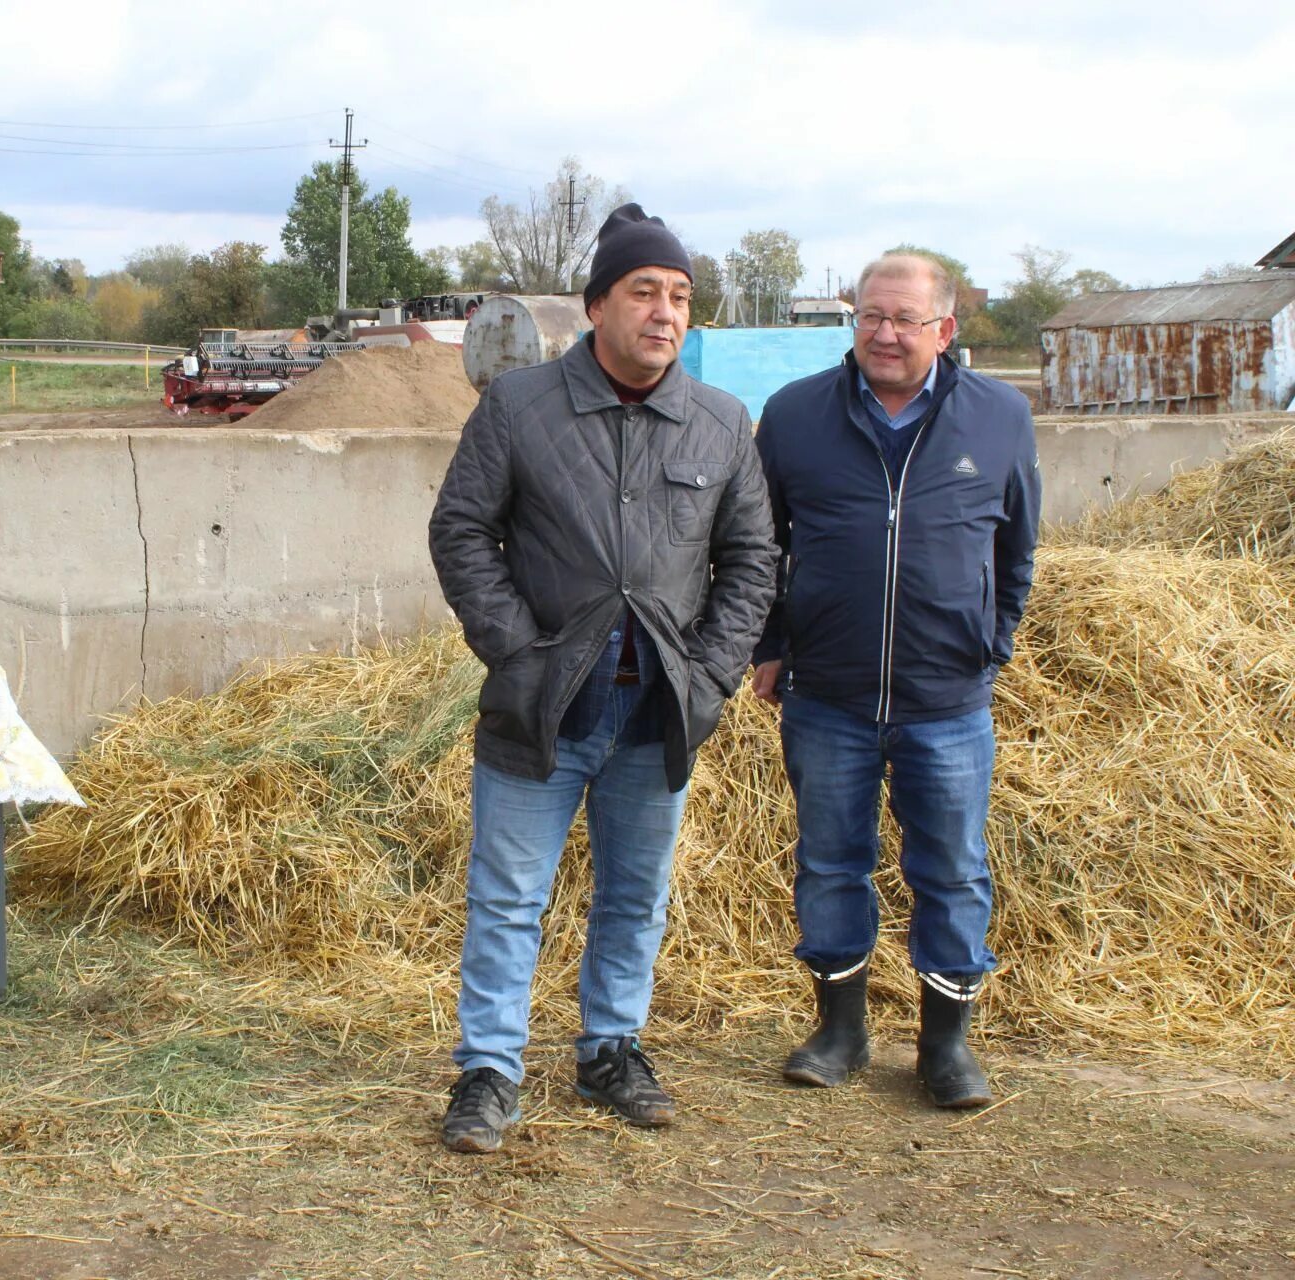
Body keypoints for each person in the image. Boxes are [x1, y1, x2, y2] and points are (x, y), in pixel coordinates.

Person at [428, 205, 778, 1153]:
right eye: (644, 293)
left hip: (655, 708)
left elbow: (752, 561)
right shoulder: (519, 406)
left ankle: (610, 1048)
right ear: (596, 307)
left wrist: (708, 672)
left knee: (636, 893)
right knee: (509, 894)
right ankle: (490, 1070)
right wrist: (518, 651)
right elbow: (462, 531)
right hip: (542, 701)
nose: (664, 313)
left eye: (679, 297)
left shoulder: (718, 421)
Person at [750, 253, 1041, 1108]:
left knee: (951, 869)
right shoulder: (797, 415)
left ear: (943, 331)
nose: (883, 333)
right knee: (832, 862)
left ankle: (945, 1048)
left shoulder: (999, 416)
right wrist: (770, 640)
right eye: (870, 315)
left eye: (904, 320)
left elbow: (1016, 547)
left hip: (947, 701)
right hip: (828, 695)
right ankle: (839, 1032)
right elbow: (759, 544)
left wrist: (993, 642)